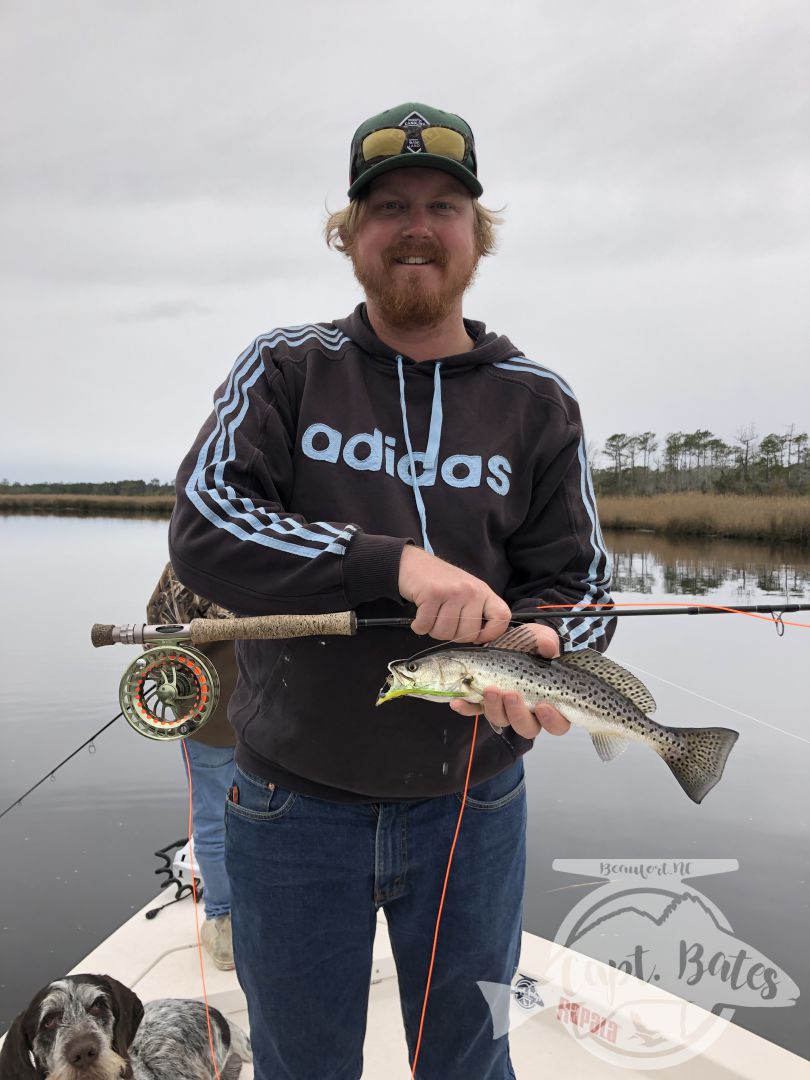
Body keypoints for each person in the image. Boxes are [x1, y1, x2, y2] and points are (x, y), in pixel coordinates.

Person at [169, 101, 614, 1080]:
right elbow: (205, 524)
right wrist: (392, 563)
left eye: (444, 205)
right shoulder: (286, 369)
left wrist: (544, 645)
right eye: (390, 206)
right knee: (300, 1063)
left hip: (473, 804)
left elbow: (582, 588)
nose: (417, 226)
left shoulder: (536, 402)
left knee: (465, 1060)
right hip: (287, 805)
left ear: (476, 234)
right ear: (351, 235)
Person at [146, 563, 239, 971]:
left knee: (214, 822)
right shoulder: (298, 549)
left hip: (213, 720)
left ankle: (225, 925)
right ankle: (241, 917)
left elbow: (158, 626)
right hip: (273, 721)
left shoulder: (199, 556)